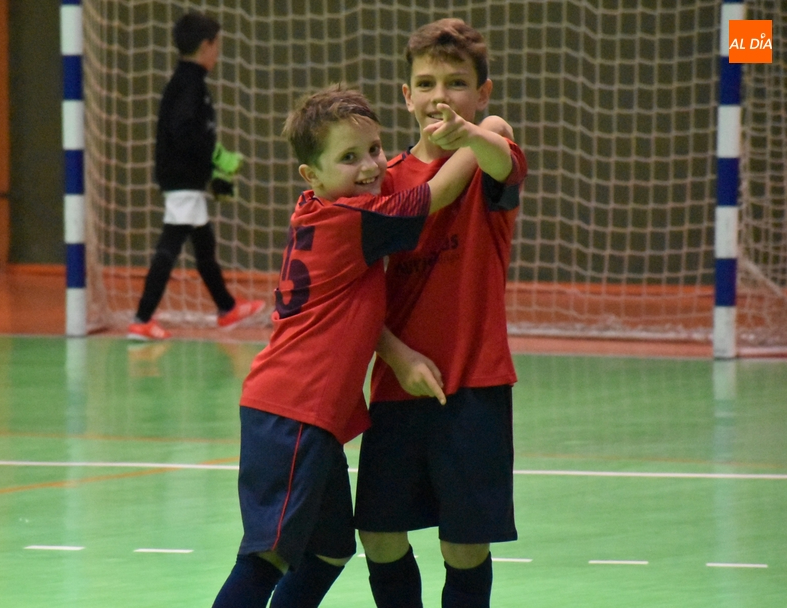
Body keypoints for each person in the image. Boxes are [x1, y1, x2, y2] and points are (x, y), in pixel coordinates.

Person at [211, 84, 514, 608]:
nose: (371, 166)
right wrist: (485, 134)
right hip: (293, 411)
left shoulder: (317, 210)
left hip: (313, 417)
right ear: (312, 175)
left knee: (329, 550)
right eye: (348, 158)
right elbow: (437, 193)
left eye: (374, 149)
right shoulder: (354, 219)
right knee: (265, 559)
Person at [353, 18, 529, 608]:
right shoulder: (381, 180)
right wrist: (396, 356)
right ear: (405, 96)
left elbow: (502, 158)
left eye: (456, 83)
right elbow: (351, 295)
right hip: (398, 385)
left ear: (482, 93)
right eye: (425, 83)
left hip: (474, 383)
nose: (439, 96)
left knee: (465, 547)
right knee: (378, 536)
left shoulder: (487, 161)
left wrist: (482, 133)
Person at [127, 10, 264, 341]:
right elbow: (185, 131)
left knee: (204, 245)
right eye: (217, 45)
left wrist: (213, 171)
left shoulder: (187, 81)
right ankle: (143, 318)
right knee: (171, 244)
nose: (218, 52)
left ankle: (227, 308)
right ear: (207, 45)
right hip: (181, 178)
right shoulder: (189, 84)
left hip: (185, 177)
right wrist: (217, 158)